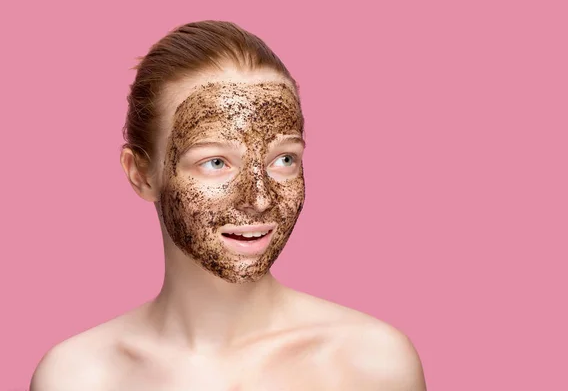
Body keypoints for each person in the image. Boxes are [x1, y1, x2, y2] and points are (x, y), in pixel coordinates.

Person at [30, 20, 427, 390]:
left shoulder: (371, 365)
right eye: (216, 162)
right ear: (142, 174)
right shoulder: (77, 377)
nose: (258, 198)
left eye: (283, 159)